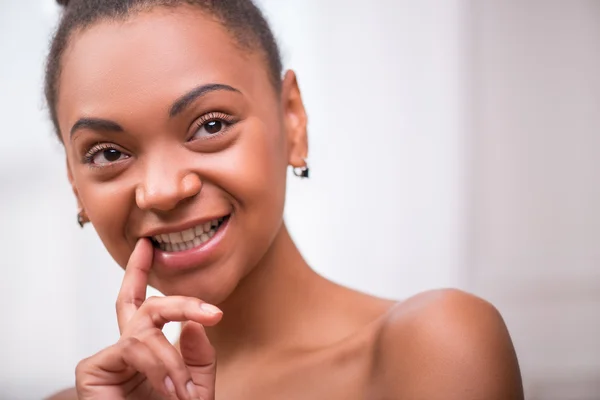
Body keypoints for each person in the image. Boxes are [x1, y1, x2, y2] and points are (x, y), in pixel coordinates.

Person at [45, 0, 524, 399]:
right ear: (75, 182)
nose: (164, 190)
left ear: (292, 119)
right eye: (108, 153)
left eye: (211, 125)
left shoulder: (433, 349)